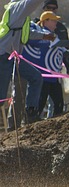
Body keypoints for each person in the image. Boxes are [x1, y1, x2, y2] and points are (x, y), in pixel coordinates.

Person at [0, 0, 55, 129]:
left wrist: (43, 36)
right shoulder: (17, 8)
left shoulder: (20, 15)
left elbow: (26, 32)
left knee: (35, 77)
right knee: (1, 98)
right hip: (3, 56)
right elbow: (31, 3)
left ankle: (30, 112)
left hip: (14, 57)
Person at [22, 11, 69, 118]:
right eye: (54, 20)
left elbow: (64, 53)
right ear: (45, 21)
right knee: (38, 106)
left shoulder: (54, 37)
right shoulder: (43, 35)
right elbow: (62, 44)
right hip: (43, 78)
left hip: (54, 78)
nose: (56, 22)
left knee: (59, 105)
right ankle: (30, 127)